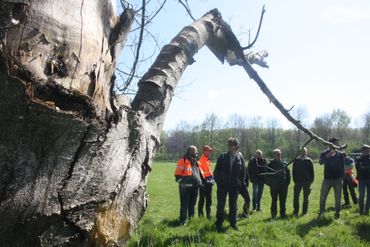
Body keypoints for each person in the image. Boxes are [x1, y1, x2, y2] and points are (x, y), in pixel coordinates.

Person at [214, 137, 246, 232]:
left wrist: (240, 182)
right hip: (222, 186)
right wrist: (219, 183)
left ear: (236, 146)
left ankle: (233, 224)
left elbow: (243, 172)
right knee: (220, 205)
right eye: (229, 145)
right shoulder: (222, 156)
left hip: (234, 187)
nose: (230, 146)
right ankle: (218, 224)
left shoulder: (239, 158)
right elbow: (216, 172)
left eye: (232, 145)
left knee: (233, 205)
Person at [174, 145, 203, 225]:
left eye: (196, 150)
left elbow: (199, 174)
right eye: (194, 150)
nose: (196, 152)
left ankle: (191, 220)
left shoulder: (196, 162)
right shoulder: (182, 161)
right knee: (184, 205)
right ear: (189, 151)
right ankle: (183, 221)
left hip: (195, 187)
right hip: (185, 188)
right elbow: (177, 176)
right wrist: (182, 184)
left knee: (192, 204)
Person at [318, 137, 345, 219]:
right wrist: (327, 156)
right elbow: (320, 162)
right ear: (331, 144)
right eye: (336, 143)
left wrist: (342, 177)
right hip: (327, 179)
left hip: (338, 179)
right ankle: (322, 213)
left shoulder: (340, 154)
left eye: (338, 143)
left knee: (338, 198)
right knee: (323, 197)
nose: (338, 145)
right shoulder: (324, 153)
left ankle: (337, 213)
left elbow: (342, 166)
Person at [265, 149, 290, 219]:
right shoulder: (270, 164)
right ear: (274, 155)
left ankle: (283, 214)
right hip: (274, 186)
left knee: (283, 201)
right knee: (274, 201)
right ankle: (273, 214)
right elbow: (266, 176)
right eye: (278, 154)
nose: (279, 155)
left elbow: (288, 173)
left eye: (280, 154)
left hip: (283, 186)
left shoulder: (284, 163)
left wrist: (287, 183)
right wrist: (270, 184)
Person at [292, 147, 314, 217]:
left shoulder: (309, 161)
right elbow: (293, 171)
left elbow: (312, 172)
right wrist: (295, 180)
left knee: (306, 198)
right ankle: (295, 211)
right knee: (296, 197)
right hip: (298, 182)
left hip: (307, 182)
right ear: (300, 152)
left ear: (306, 152)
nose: (303, 152)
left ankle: (304, 212)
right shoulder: (296, 160)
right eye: (302, 151)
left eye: (304, 151)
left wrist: (310, 181)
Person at [197, 145, 214, 218]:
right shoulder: (200, 161)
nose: (210, 152)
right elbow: (201, 173)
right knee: (202, 199)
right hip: (203, 183)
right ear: (204, 151)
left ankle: (208, 214)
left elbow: (209, 171)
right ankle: (201, 215)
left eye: (210, 151)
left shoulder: (207, 160)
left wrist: (212, 179)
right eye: (209, 151)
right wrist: (206, 181)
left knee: (209, 199)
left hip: (209, 182)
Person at [355, 144, 370, 215]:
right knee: (361, 196)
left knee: (369, 196)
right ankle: (361, 211)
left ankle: (366, 211)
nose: (368, 152)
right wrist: (367, 167)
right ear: (363, 151)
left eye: (369, 151)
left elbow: (364, 168)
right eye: (367, 151)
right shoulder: (358, 159)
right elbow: (360, 168)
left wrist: (365, 167)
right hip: (362, 180)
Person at [238, 152, 251, 218]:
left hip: (243, 186)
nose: (240, 158)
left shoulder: (244, 166)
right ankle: (232, 215)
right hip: (236, 186)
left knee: (248, 199)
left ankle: (245, 213)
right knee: (233, 201)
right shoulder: (235, 165)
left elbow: (247, 176)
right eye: (239, 157)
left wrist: (246, 184)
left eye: (241, 157)